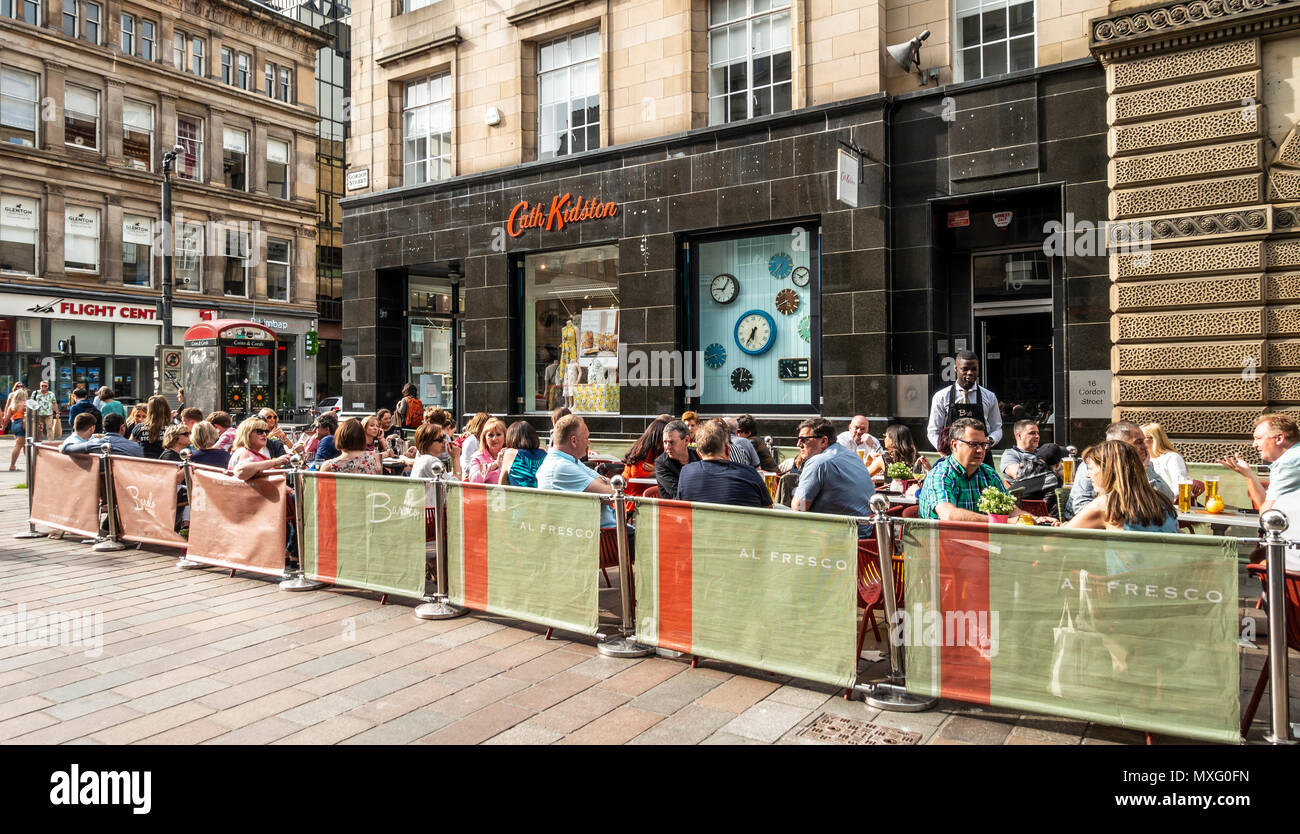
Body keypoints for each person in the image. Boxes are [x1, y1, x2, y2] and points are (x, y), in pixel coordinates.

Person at [1067, 421, 1174, 518]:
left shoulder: (1143, 464)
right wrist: (1122, 517)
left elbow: (1168, 499)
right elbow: (1080, 507)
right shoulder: (1094, 464)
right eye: (1139, 442)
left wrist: (1145, 470)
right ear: (1118, 445)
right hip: (1090, 528)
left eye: (1144, 441)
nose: (1145, 446)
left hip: (1128, 524)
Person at [790, 418, 873, 536]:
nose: (799, 444)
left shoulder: (818, 462)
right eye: (798, 439)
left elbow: (799, 508)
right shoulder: (851, 455)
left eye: (804, 440)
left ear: (823, 441)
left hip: (837, 539)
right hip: (866, 533)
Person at [918, 418, 1006, 521]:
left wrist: (1024, 519)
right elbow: (948, 515)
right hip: (942, 536)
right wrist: (999, 520)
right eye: (973, 444)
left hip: (979, 536)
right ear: (955, 445)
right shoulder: (940, 475)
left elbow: (1011, 510)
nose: (980, 450)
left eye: (983, 445)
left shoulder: (988, 473)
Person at [537, 414, 616, 528]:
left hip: (601, 533)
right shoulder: (561, 466)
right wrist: (602, 481)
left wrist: (602, 482)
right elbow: (612, 495)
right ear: (574, 441)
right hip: (600, 538)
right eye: (586, 438)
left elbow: (610, 486)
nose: (588, 442)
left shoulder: (570, 460)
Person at [676, 419, 772, 509]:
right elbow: (769, 510)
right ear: (727, 449)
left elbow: (681, 509)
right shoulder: (750, 474)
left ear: (698, 453)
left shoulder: (686, 473)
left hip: (701, 527)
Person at [926, 350, 1003, 453]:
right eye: (965, 369)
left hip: (981, 455)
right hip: (952, 456)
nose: (970, 373)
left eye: (974, 369)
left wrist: (990, 441)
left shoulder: (990, 397)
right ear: (956, 368)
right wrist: (943, 450)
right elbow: (933, 431)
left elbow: (997, 429)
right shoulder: (941, 397)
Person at [229, 417, 293, 481]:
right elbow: (241, 471)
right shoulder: (244, 452)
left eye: (266, 431)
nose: (264, 434)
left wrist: (290, 491)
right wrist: (275, 462)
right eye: (259, 431)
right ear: (247, 434)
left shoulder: (251, 453)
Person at [621, 418, 667, 500]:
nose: (666, 442)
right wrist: (656, 471)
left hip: (645, 490)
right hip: (631, 494)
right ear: (657, 436)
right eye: (664, 439)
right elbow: (636, 473)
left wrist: (656, 469)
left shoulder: (658, 449)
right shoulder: (642, 449)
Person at [655, 420, 700, 500]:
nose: (667, 447)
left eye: (671, 442)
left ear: (686, 440)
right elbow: (679, 493)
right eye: (665, 442)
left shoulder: (697, 455)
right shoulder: (661, 463)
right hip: (674, 509)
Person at [63, 412, 143, 457]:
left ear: (104, 427)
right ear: (122, 428)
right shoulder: (135, 447)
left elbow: (66, 448)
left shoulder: (93, 444)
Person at [867, 424, 931, 478]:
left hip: (892, 492)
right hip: (913, 491)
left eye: (885, 436)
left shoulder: (883, 459)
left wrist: (868, 460)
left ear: (893, 439)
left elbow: (864, 476)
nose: (884, 439)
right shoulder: (917, 458)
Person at [1142, 423, 1189, 491]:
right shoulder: (1142, 459)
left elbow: (1180, 489)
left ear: (1154, 439)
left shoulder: (1172, 458)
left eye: (1141, 439)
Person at [500, 421, 548, 488]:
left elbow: (502, 484)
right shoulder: (545, 454)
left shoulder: (510, 453)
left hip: (519, 497)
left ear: (511, 438)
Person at [465, 417, 507, 484]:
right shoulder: (477, 457)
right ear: (484, 438)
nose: (494, 438)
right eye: (490, 435)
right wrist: (494, 464)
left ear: (505, 437)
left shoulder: (510, 454)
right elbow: (473, 480)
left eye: (498, 434)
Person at [5, 382, 27, 470]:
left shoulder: (12, 406)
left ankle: (31, 463)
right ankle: (12, 465)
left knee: (24, 445)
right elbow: (27, 415)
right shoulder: (25, 404)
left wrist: (3, 426)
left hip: (14, 424)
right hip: (22, 424)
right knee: (20, 446)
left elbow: (7, 418)